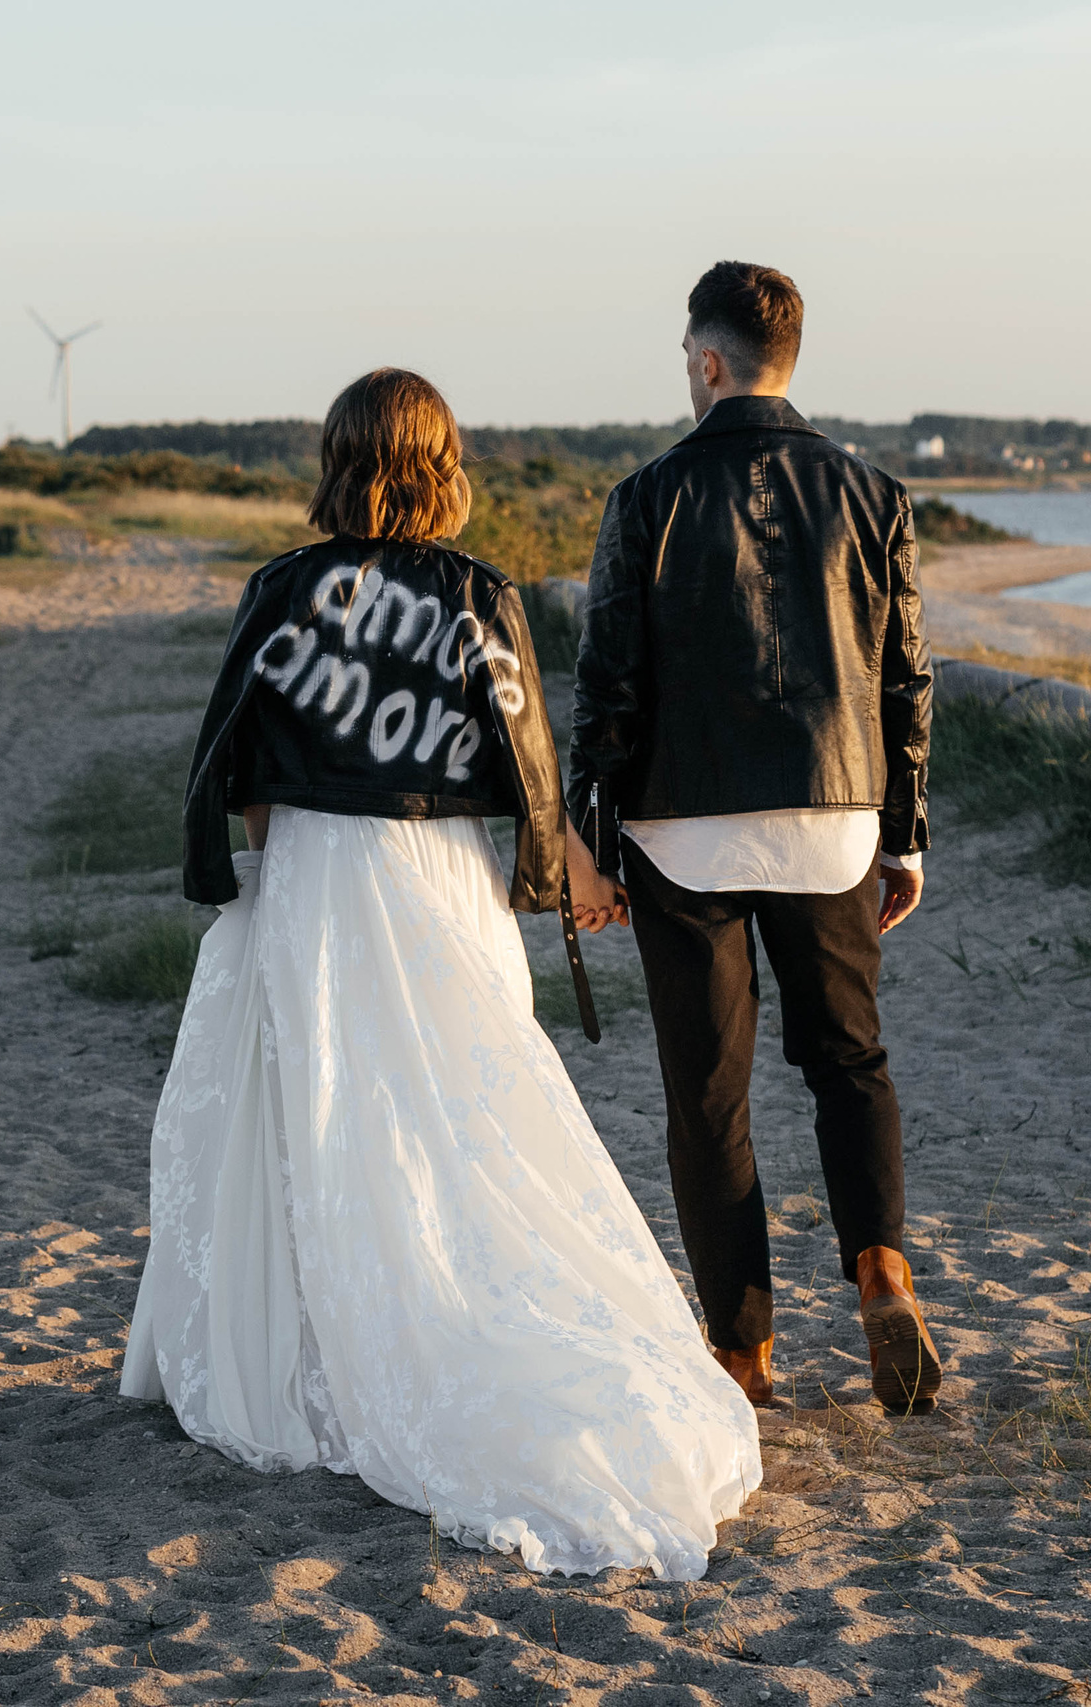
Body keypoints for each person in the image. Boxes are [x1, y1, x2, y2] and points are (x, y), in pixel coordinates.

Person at [121, 368, 761, 1581]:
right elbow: (521, 754)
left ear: (335, 458)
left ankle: (298, 1360)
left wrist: (272, 878)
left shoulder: (281, 590)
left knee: (314, 1108)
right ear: (442, 464)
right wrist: (566, 873)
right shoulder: (476, 595)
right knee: (463, 1106)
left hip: (313, 867)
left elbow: (240, 757)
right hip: (434, 877)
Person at [565, 261, 942, 1416]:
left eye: (688, 357)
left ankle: (742, 1354)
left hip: (682, 834)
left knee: (708, 1096)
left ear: (708, 361)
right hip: (833, 822)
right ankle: (882, 1270)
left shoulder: (646, 497)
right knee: (848, 1063)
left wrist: (591, 831)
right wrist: (904, 835)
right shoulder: (872, 493)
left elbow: (607, 683)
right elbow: (905, 676)